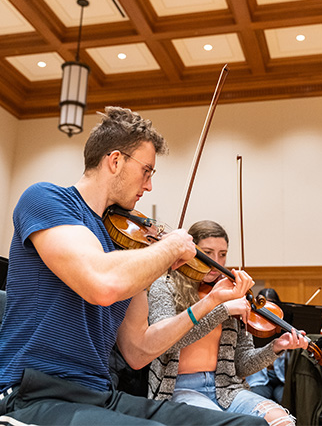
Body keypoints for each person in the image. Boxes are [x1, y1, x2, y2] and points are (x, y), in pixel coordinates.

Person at [0, 107, 263, 425]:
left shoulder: (128, 244)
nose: (149, 185)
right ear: (115, 161)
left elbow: (138, 350)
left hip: (100, 395)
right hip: (34, 393)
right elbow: (100, 283)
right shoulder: (45, 199)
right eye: (146, 171)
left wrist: (210, 301)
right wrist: (168, 247)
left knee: (249, 423)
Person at [147, 220, 305, 426]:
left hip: (227, 388)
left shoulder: (232, 292)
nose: (216, 261)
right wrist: (221, 311)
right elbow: (164, 343)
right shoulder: (165, 285)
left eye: (222, 254)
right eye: (208, 252)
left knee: (283, 421)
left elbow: (241, 365)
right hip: (178, 388)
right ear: (190, 251)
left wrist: (275, 348)